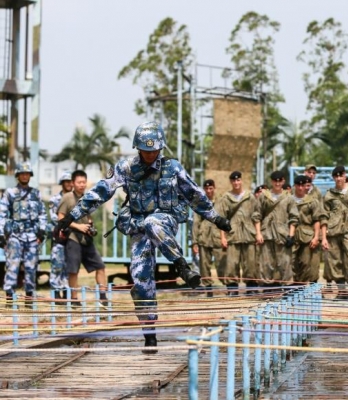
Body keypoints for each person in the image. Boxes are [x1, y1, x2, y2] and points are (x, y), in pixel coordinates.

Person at [55, 121, 231, 353]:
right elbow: (101, 191)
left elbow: (194, 194)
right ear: (138, 148)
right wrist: (71, 216)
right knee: (140, 278)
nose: (150, 154)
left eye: (154, 150)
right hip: (138, 226)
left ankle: (182, 266)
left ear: (161, 148)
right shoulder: (126, 168)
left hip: (165, 221)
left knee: (152, 223)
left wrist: (216, 218)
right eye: (146, 150)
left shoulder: (173, 168)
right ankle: (149, 333)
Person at [57, 170, 108, 307]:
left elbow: (88, 217)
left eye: (84, 182)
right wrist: (78, 226)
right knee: (73, 270)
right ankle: (74, 299)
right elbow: (60, 218)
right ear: (73, 183)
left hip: (87, 238)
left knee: (100, 266)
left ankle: (103, 297)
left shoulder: (88, 197)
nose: (81, 185)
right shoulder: (67, 197)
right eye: (79, 182)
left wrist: (90, 226)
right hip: (73, 237)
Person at [0, 162, 47, 307]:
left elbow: (42, 213)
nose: (25, 176)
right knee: (12, 266)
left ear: (30, 176)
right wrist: (1, 234)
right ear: (18, 175)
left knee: (31, 268)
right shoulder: (10, 193)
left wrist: (42, 231)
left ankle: (29, 298)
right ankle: (9, 298)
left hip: (32, 237)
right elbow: (2, 213)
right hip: (15, 236)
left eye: (27, 174)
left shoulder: (36, 193)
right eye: (22, 174)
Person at [321, 165, 348, 300]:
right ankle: (341, 292)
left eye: (341, 175)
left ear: (345, 175)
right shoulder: (329, 195)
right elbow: (323, 217)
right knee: (335, 261)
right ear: (333, 178)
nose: (339, 178)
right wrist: (324, 238)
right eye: (336, 176)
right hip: (333, 232)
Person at [219, 171, 261, 294]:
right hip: (233, 234)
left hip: (249, 233)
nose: (236, 183)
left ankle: (251, 287)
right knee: (232, 264)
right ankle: (232, 289)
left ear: (241, 181)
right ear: (231, 182)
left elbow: (256, 216)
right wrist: (223, 237)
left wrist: (258, 233)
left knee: (250, 263)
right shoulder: (226, 198)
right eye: (234, 181)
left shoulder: (250, 197)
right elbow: (222, 219)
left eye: (238, 180)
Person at [255, 170, 299, 288]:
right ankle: (267, 289)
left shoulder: (289, 198)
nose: (277, 183)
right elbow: (257, 215)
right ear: (271, 181)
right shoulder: (264, 196)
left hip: (283, 235)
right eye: (275, 181)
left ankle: (287, 288)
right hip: (267, 234)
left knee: (285, 263)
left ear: (283, 181)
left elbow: (294, 217)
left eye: (280, 181)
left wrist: (291, 235)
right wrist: (258, 233)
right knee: (266, 264)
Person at [191, 179, 227, 297]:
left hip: (217, 237)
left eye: (211, 188)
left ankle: (228, 286)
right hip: (204, 238)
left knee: (222, 264)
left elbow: (223, 220)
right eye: (206, 188)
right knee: (204, 266)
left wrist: (224, 237)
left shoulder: (220, 201)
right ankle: (209, 290)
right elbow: (196, 223)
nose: (209, 191)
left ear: (214, 188)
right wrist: (194, 242)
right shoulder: (200, 202)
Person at [291, 175, 325, 284]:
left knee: (305, 262)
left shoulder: (312, 201)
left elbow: (316, 220)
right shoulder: (288, 200)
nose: (300, 188)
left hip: (307, 235)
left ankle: (301, 287)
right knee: (291, 262)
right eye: (298, 185)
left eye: (303, 185)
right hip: (291, 234)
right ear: (295, 185)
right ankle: (295, 286)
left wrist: (316, 237)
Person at [48, 171, 73, 300]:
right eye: (66, 181)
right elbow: (54, 217)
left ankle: (66, 291)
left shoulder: (76, 199)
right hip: (59, 236)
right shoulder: (55, 199)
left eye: (70, 181)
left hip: (72, 237)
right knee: (57, 264)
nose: (69, 184)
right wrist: (66, 224)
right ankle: (56, 292)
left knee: (69, 266)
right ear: (62, 183)